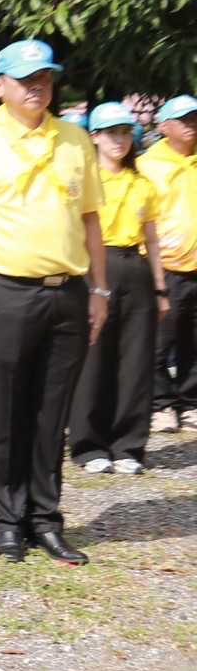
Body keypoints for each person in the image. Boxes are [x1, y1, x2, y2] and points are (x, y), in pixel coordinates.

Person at [0, 39, 106, 564]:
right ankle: (7, 520)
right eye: (26, 78)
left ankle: (45, 518)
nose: (37, 87)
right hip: (5, 291)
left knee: (53, 413)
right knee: (7, 410)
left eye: (45, 78)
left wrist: (99, 289)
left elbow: (91, 219)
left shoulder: (75, 139)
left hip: (68, 292)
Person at [73, 103, 166, 474]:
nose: (119, 140)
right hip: (94, 267)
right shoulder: (83, 179)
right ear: (94, 136)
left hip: (135, 268)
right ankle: (88, 445)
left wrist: (159, 288)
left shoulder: (142, 182)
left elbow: (153, 239)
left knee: (135, 360)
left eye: (125, 132)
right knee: (94, 358)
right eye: (111, 133)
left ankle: (128, 445)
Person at [138, 94, 197, 434]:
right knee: (159, 342)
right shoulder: (148, 165)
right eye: (184, 119)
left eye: (194, 119)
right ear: (163, 126)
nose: (191, 125)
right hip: (166, 266)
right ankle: (161, 403)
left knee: (193, 341)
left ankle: (190, 402)